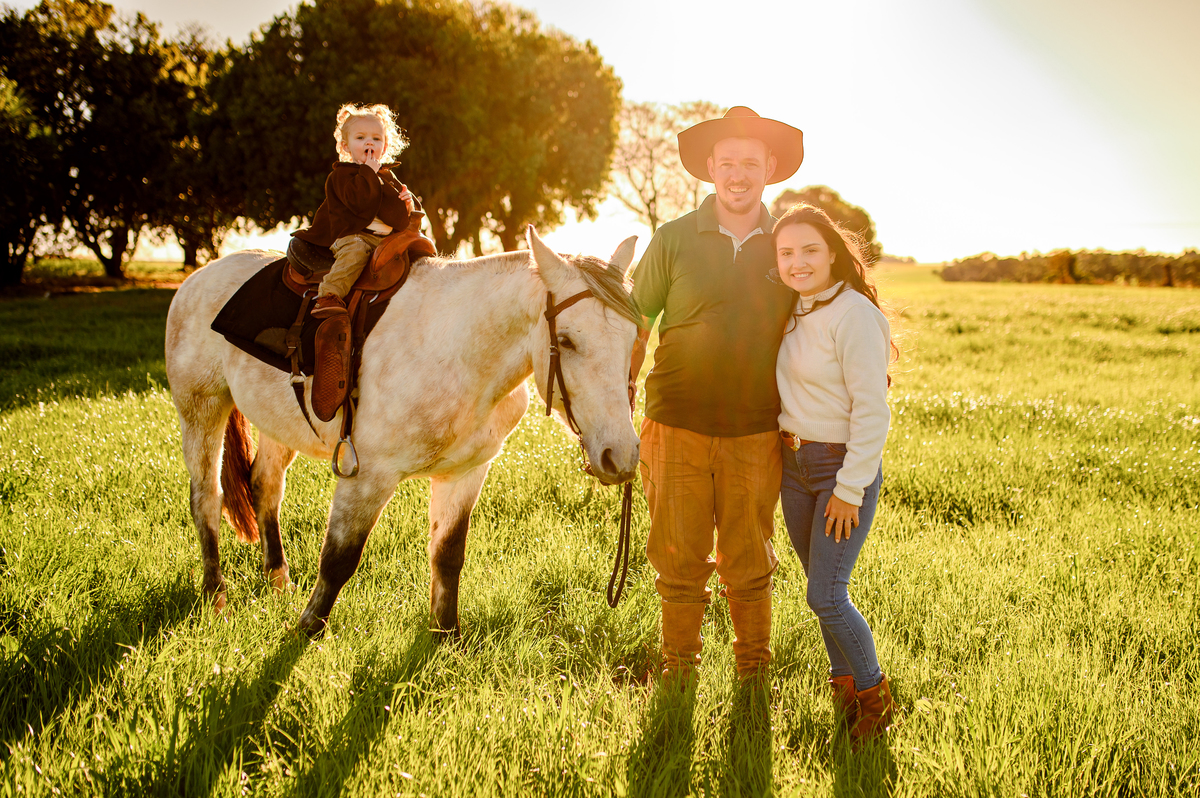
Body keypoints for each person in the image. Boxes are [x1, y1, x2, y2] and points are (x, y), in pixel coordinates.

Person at [628, 107, 804, 685]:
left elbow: (828, 315)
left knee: (750, 561)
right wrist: (618, 404)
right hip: (674, 423)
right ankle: (679, 674)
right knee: (678, 560)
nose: (737, 174)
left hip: (757, 430)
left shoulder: (789, 245)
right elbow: (635, 322)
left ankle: (753, 674)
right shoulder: (673, 238)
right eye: (727, 162)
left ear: (769, 168)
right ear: (709, 168)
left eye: (749, 163)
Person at [772, 202, 898, 747]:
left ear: (832, 255)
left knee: (826, 593)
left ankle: (875, 696)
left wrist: (849, 488)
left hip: (837, 469)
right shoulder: (793, 309)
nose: (797, 262)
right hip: (793, 465)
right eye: (786, 253)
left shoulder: (854, 314)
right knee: (818, 586)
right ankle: (843, 686)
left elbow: (873, 410)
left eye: (809, 251)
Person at [294, 103, 418, 318]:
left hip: (385, 240)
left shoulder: (387, 177)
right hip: (352, 236)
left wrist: (409, 205)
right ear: (345, 146)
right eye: (360, 138)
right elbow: (358, 202)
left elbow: (400, 215)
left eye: (376, 139)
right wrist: (368, 172)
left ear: (385, 145)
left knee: (414, 254)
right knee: (355, 252)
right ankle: (328, 294)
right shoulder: (341, 176)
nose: (369, 142)